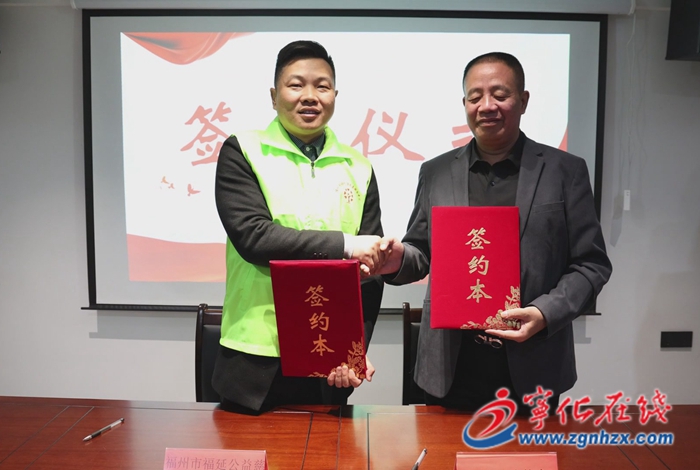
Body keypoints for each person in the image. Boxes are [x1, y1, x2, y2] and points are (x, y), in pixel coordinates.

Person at [380, 52, 612, 414]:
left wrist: (544, 312)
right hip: (450, 367)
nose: (487, 106)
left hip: (534, 362)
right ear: (465, 104)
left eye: (500, 95)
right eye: (475, 97)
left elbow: (591, 264)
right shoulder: (436, 172)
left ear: (523, 101)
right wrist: (396, 260)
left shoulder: (564, 171)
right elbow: (421, 252)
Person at [212, 40, 385, 414]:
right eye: (296, 85)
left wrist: (355, 347)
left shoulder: (358, 167)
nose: (310, 96)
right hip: (255, 353)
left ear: (335, 96)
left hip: (330, 357)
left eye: (322, 86)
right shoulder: (243, 150)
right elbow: (254, 238)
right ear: (274, 96)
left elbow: (371, 272)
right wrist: (346, 245)